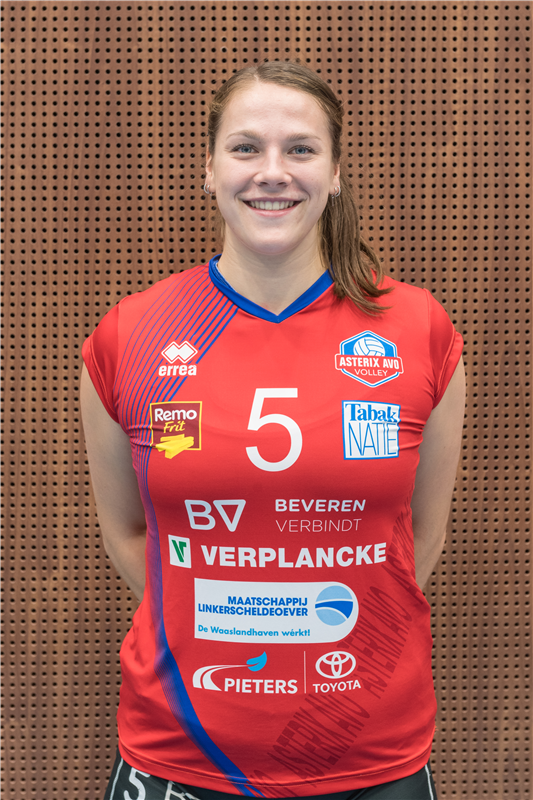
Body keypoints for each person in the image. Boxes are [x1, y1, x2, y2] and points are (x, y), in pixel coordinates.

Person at [81, 61, 465, 800]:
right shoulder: (133, 335)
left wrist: (322, 631)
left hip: (368, 749)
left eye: (300, 149)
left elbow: (421, 536)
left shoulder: (417, 330)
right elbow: (128, 535)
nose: (272, 172)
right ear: (210, 169)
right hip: (180, 749)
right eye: (246, 148)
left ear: (335, 173)